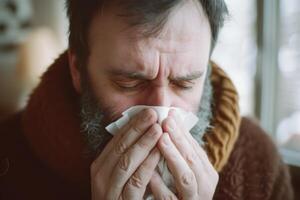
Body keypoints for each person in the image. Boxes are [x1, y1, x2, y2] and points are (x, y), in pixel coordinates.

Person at [0, 0, 294, 199]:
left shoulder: (259, 164)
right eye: (129, 82)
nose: (160, 112)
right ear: (78, 70)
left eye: (184, 82)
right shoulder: (9, 163)